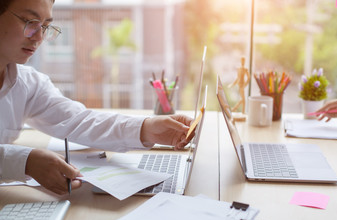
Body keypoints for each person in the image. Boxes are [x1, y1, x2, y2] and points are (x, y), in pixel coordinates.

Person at [0, 0, 193, 195]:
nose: (39, 36)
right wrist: (24, 162)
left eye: (45, 26)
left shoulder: (25, 83)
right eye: (29, 21)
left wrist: (147, 129)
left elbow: (77, 120)